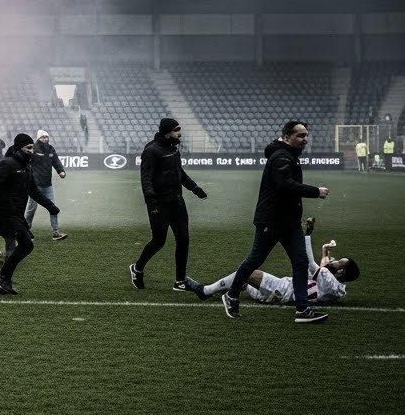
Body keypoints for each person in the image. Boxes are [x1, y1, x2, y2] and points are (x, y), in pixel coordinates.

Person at [219, 121, 330, 323]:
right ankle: (231, 295)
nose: (305, 139)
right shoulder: (281, 157)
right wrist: (315, 191)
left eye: (306, 135)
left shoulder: (287, 155)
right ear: (287, 137)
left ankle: (302, 309)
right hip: (272, 220)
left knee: (300, 261)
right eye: (300, 135)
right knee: (255, 260)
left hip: (290, 221)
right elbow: (284, 185)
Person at [187, 218, 357, 306]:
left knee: (248, 271)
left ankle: (205, 291)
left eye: (339, 262)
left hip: (283, 290)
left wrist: (307, 234)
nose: (335, 261)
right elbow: (324, 270)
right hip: (279, 293)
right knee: (244, 281)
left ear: (341, 272)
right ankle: (216, 291)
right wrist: (325, 252)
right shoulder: (338, 289)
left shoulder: (329, 280)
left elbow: (311, 264)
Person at [129, 118, 209, 292]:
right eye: (176, 130)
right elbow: (146, 178)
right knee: (159, 241)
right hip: (160, 204)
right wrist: (151, 203)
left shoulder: (173, 148)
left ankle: (180, 281)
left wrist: (194, 188)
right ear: (167, 132)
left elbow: (179, 172)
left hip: (177, 202)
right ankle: (137, 268)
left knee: (184, 240)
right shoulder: (151, 151)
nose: (179, 133)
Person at [0, 133, 60, 295]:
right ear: (19, 148)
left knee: (15, 248)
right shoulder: (7, 164)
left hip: (16, 215)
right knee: (26, 244)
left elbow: (34, 191)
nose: (32, 150)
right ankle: (1, 278)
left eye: (33, 147)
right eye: (28, 147)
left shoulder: (27, 167)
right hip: (5, 214)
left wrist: (50, 207)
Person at [25, 129, 68, 240]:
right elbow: (25, 162)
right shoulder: (33, 148)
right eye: (42, 137)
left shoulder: (50, 149)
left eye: (46, 137)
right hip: (35, 186)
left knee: (53, 208)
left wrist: (61, 171)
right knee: (31, 209)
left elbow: (56, 161)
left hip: (47, 185)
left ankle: (55, 233)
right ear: (38, 138)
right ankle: (25, 231)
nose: (45, 139)